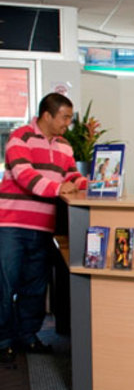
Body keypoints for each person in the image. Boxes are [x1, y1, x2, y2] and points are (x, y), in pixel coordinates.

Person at [0, 92, 87, 363]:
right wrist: (59, 188)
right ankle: (3, 342)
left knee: (35, 286)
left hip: (42, 226)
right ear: (47, 115)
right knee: (5, 284)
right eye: (65, 117)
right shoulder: (20, 138)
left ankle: (28, 336)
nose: (68, 123)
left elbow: (72, 175)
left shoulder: (64, 146)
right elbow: (25, 175)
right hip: (12, 224)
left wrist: (94, 184)